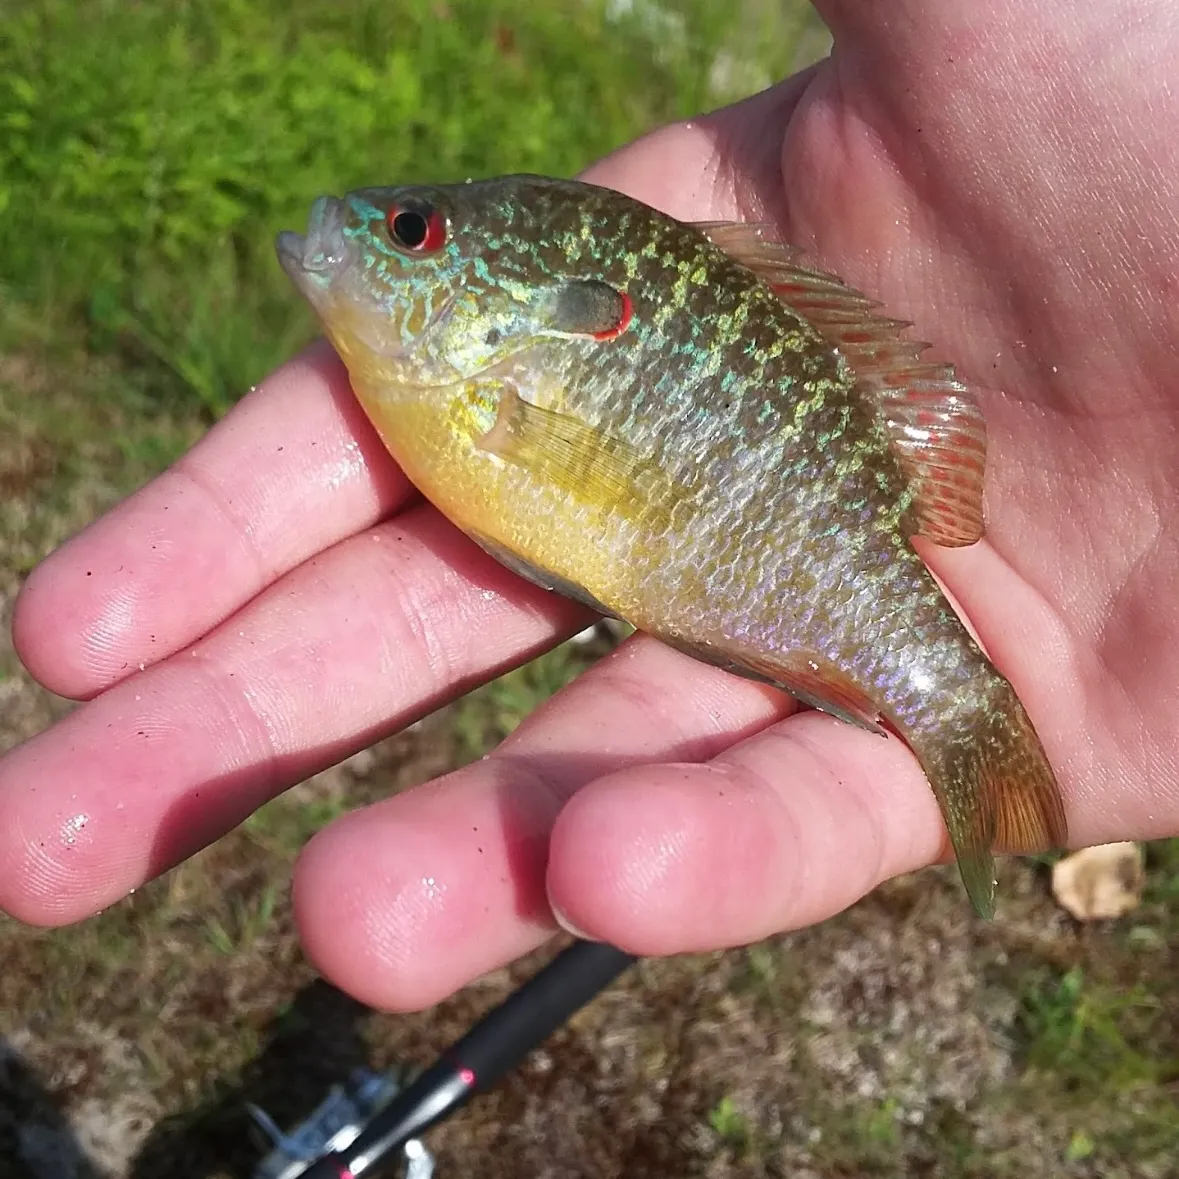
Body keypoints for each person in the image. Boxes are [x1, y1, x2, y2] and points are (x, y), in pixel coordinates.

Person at [1, 0, 1175, 1012]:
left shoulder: (482, 394)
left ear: (496, 298)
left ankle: (959, 730)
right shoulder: (468, 385)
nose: (368, 229)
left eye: (411, 232)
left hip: (776, 555)